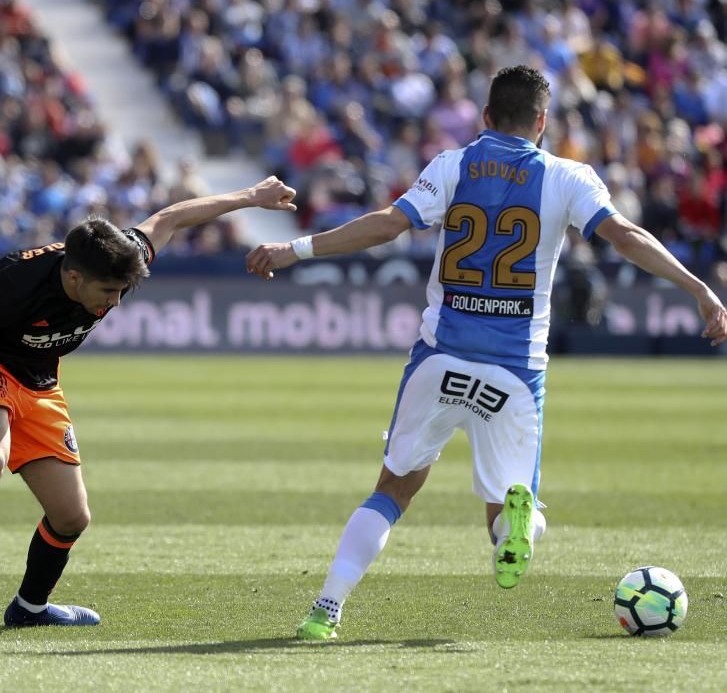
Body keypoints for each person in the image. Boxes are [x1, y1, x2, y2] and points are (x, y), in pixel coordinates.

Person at [245, 66, 727, 641]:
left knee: (392, 491)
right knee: (508, 514)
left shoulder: (453, 165)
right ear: (543, 122)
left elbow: (385, 226)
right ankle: (522, 526)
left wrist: (294, 249)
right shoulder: (567, 176)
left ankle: (326, 608)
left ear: (486, 117)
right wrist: (699, 288)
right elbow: (627, 236)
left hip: (440, 357)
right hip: (516, 372)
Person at [0, 176, 297, 640]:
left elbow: (171, 217)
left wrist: (252, 197)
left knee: (72, 516)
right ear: (73, 278)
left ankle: (30, 607)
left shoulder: (118, 255)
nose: (116, 301)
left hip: (40, 379)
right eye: (109, 292)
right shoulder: (13, 287)